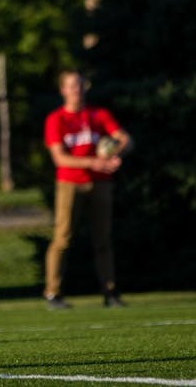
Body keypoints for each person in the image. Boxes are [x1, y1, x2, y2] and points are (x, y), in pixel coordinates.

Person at [43, 69, 133, 309]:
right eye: (72, 86)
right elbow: (60, 159)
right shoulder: (56, 119)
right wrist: (95, 162)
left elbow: (125, 139)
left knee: (103, 238)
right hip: (70, 183)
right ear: (63, 90)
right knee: (63, 238)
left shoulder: (98, 114)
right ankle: (53, 293)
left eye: (80, 85)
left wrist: (117, 153)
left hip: (101, 183)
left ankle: (110, 292)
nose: (77, 90)